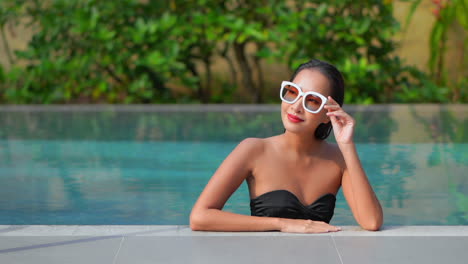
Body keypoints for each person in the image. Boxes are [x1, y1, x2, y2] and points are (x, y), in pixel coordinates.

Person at [190, 59, 383, 233]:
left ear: (329, 114)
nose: (296, 106)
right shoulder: (254, 150)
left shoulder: (338, 160)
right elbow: (200, 217)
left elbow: (371, 222)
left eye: (312, 101)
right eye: (292, 92)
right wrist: (282, 223)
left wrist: (347, 145)